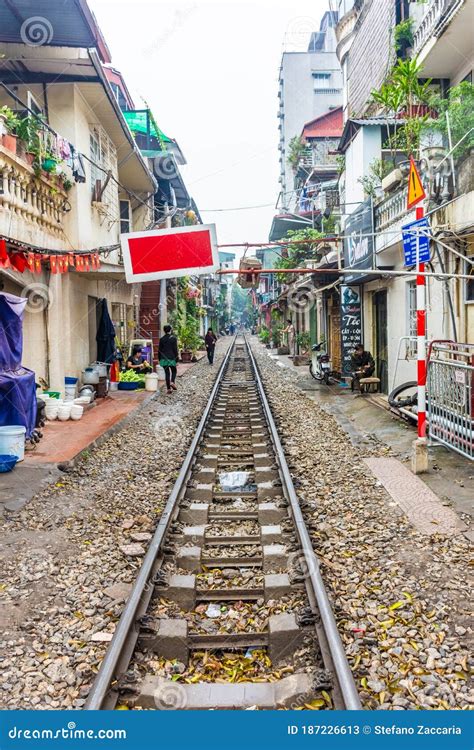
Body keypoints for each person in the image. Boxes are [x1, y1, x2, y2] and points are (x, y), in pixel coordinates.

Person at [158, 324, 179, 394]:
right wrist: (177, 359)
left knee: (167, 373)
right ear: (170, 330)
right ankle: (172, 382)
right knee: (174, 371)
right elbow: (175, 349)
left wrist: (159, 359)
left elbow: (159, 350)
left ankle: (168, 389)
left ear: (164, 331)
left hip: (163, 359)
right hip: (171, 358)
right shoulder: (173, 338)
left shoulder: (161, 339)